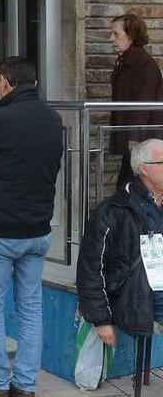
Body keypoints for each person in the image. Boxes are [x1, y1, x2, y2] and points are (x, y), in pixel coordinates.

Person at [0, 58, 63, 397]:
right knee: (31, 307)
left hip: (1, 230)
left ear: (4, 82)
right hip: (38, 229)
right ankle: (25, 385)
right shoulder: (53, 119)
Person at [78, 138, 163, 354]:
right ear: (144, 169)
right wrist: (101, 320)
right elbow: (91, 267)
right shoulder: (114, 211)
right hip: (138, 298)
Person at [109, 13, 163, 188]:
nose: (112, 39)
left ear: (131, 36)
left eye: (116, 34)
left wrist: (135, 138)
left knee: (132, 186)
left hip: (141, 141)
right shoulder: (127, 61)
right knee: (128, 186)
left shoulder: (143, 65)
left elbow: (143, 103)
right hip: (134, 138)